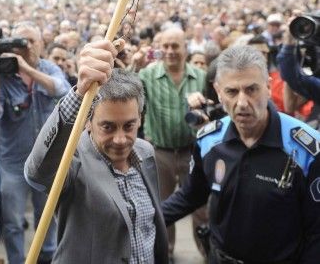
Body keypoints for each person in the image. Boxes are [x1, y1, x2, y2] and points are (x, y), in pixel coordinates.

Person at [162, 45, 320, 263]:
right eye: (232, 92)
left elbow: (316, 232)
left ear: (268, 87)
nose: (242, 103)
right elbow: (192, 194)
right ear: (218, 91)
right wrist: (146, 219)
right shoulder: (209, 139)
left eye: (251, 89)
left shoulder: (306, 149)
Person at [25, 39, 169, 264]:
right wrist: (80, 94)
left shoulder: (146, 152)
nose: (121, 139)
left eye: (129, 125)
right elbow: (38, 172)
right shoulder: (72, 162)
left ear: (140, 118)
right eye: (108, 127)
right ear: (88, 122)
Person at [0, 21, 70, 264]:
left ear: (42, 44)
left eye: (33, 41)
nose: (27, 46)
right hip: (13, 163)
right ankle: (18, 260)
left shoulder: (49, 68)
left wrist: (27, 69)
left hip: (46, 160)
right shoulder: (5, 74)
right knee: (12, 223)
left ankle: (47, 257)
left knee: (47, 216)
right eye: (22, 41)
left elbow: (61, 89)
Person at [138, 27, 207, 258]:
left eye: (175, 46)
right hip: (161, 153)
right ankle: (164, 254)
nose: (169, 51)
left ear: (185, 48)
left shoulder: (200, 77)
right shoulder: (148, 75)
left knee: (201, 208)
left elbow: (213, 110)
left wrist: (203, 106)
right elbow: (126, 88)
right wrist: (133, 65)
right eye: (165, 46)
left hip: (193, 152)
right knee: (163, 208)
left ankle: (206, 251)